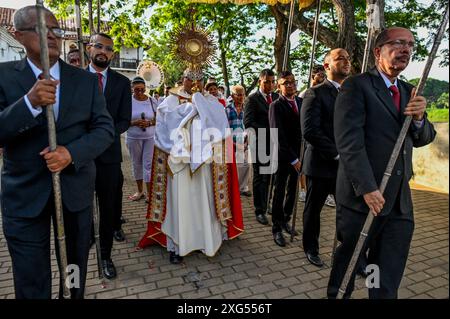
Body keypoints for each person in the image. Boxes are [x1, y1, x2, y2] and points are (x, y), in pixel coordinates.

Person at [0, 5, 114, 299]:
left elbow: (104, 130)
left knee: (73, 268)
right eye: (41, 29)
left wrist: (71, 154)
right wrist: (28, 103)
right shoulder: (3, 77)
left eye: (56, 30)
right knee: (31, 275)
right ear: (18, 35)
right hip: (24, 197)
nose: (52, 36)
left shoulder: (86, 81)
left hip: (74, 192)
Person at [327, 27, 436, 299]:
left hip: (399, 201)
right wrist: (367, 187)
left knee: (385, 271)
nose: (406, 49)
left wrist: (420, 118)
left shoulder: (411, 91)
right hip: (363, 198)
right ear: (378, 51)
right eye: (398, 43)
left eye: (410, 44)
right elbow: (349, 142)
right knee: (349, 264)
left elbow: (424, 137)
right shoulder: (357, 86)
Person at [138, 68, 244, 264]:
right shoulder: (170, 100)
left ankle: (208, 240)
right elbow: (164, 126)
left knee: (206, 200)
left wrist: (200, 104)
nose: (194, 82)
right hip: (180, 163)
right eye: (189, 78)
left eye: (199, 79)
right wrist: (190, 108)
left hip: (206, 165)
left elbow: (220, 126)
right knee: (181, 202)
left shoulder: (211, 101)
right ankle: (178, 244)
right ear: (183, 79)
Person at [86, 32, 132, 279]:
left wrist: (103, 135)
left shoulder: (122, 83)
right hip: (79, 157)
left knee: (107, 208)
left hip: (109, 156)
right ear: (89, 49)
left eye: (109, 49)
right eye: (99, 46)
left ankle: (106, 255)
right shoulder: (75, 78)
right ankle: (81, 249)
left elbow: (124, 120)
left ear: (113, 54)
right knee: (81, 207)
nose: (104, 51)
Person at [300, 48, 351, 267]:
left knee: (347, 211)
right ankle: (311, 248)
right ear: (327, 65)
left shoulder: (351, 93)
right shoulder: (315, 93)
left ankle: (347, 252)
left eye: (348, 58)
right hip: (321, 164)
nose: (346, 62)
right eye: (341, 58)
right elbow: (310, 130)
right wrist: (336, 153)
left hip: (346, 167)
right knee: (313, 210)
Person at [268, 71, 302, 247]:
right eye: (285, 83)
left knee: (292, 191)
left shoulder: (301, 102)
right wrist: (293, 159)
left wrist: (301, 157)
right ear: (278, 86)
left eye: (292, 82)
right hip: (282, 156)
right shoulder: (276, 105)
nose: (290, 85)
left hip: (299, 155)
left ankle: (286, 219)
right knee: (279, 191)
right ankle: (276, 228)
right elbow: (278, 135)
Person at [244, 69, 279, 226]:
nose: (270, 85)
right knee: (260, 177)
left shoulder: (277, 97)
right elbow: (249, 122)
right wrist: (269, 130)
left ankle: (267, 203)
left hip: (275, 144)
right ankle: (259, 210)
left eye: (272, 82)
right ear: (260, 81)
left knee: (270, 176)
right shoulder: (252, 99)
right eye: (266, 82)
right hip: (259, 143)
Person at [126, 76, 157, 203]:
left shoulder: (152, 101)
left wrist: (149, 123)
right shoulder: (127, 101)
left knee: (148, 165)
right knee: (136, 164)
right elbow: (122, 120)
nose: (139, 92)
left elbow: (159, 118)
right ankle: (140, 191)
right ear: (132, 89)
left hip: (150, 137)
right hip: (133, 137)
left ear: (145, 88)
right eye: (136, 90)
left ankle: (150, 194)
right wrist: (134, 123)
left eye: (142, 89)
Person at [225, 85, 251, 197]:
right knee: (230, 167)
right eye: (238, 95)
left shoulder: (247, 109)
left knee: (246, 164)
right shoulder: (227, 109)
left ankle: (243, 187)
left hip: (243, 141)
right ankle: (230, 187)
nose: (241, 97)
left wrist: (247, 142)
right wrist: (231, 142)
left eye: (242, 95)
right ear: (232, 96)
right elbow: (224, 127)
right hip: (231, 142)